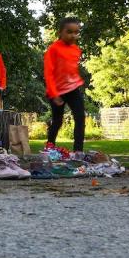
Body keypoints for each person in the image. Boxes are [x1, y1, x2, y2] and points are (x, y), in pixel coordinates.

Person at [44, 17, 86, 156]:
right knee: (57, 120)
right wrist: (54, 93)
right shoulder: (53, 49)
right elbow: (48, 72)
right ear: (60, 32)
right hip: (57, 91)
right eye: (69, 32)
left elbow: (71, 69)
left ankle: (78, 150)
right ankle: (49, 147)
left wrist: (76, 80)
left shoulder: (76, 49)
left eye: (76, 32)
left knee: (80, 117)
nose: (73, 35)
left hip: (73, 89)